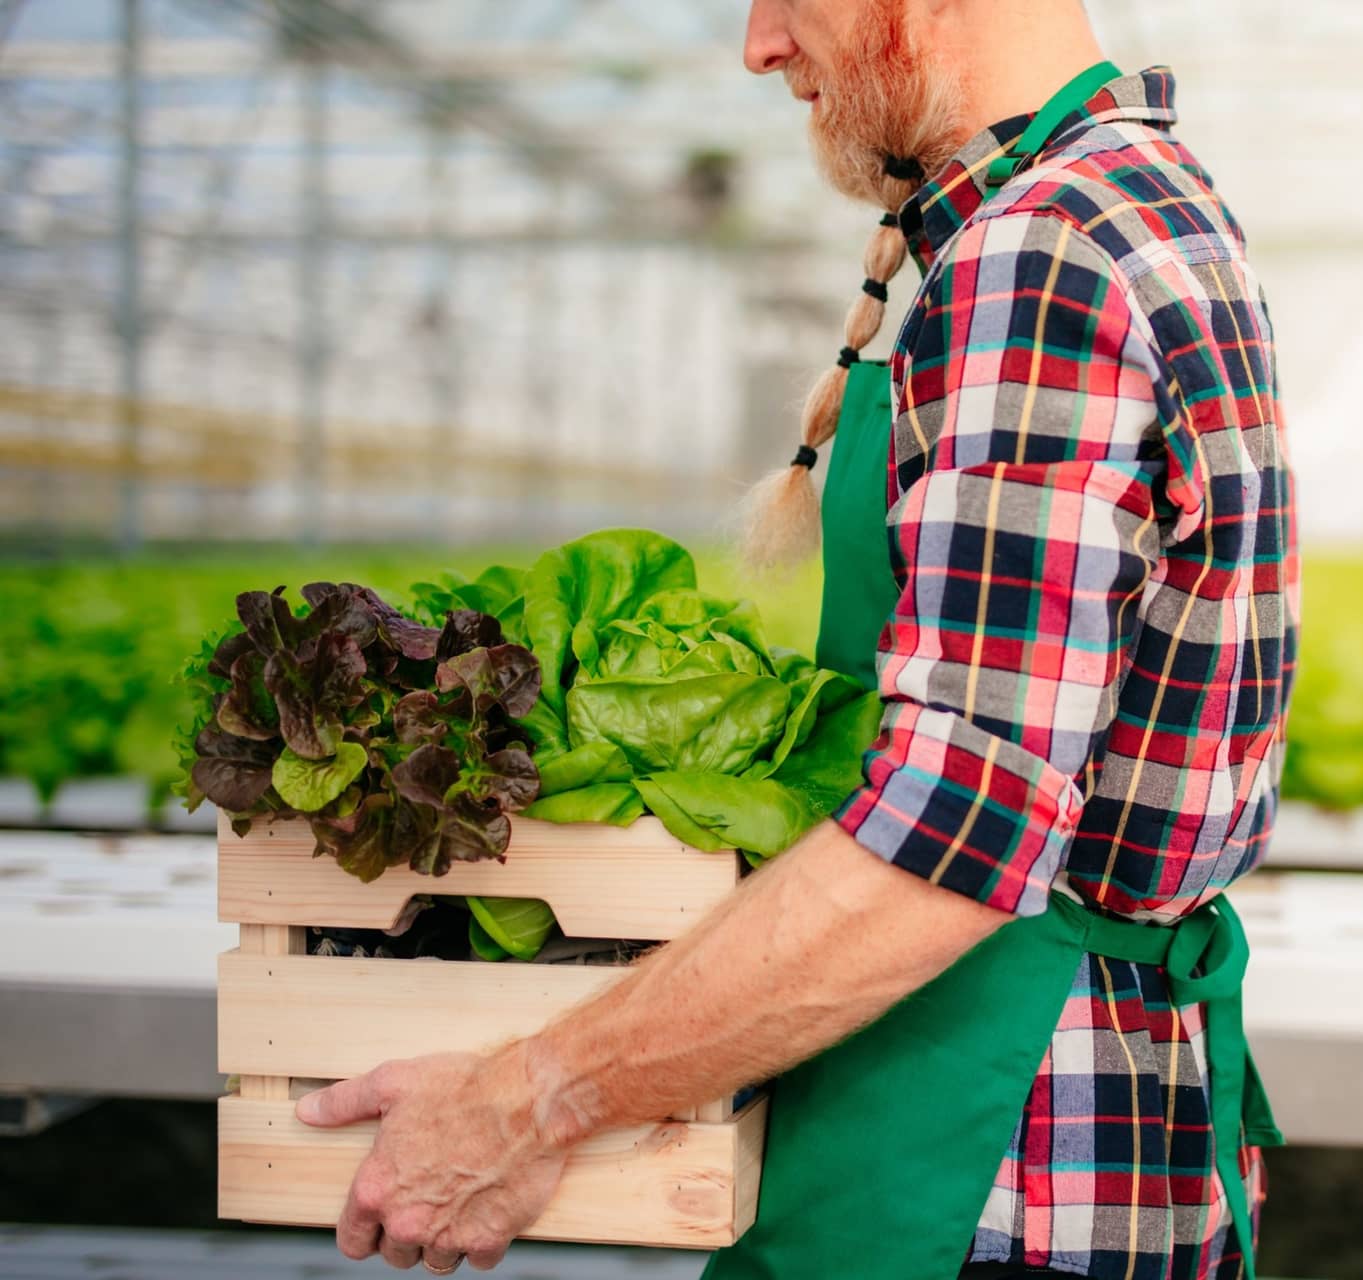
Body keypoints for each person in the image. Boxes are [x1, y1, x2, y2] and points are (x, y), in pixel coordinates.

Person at [294, 1, 1299, 1277]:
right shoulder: (1144, 194)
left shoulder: (1042, 250)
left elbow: (951, 837)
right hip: (1091, 1107)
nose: (759, 43)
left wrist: (523, 1099)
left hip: (993, 1153)